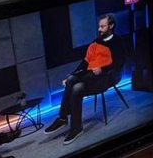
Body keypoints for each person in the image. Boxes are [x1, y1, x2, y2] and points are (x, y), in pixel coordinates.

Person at [45, 14, 130, 145]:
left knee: (75, 83)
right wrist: (71, 75)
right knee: (75, 85)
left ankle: (64, 119)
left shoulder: (117, 42)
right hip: (90, 77)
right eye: (99, 26)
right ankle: (72, 125)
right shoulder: (95, 42)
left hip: (107, 78)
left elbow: (119, 63)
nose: (99, 29)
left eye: (102, 26)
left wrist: (103, 70)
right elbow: (85, 63)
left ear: (111, 25)